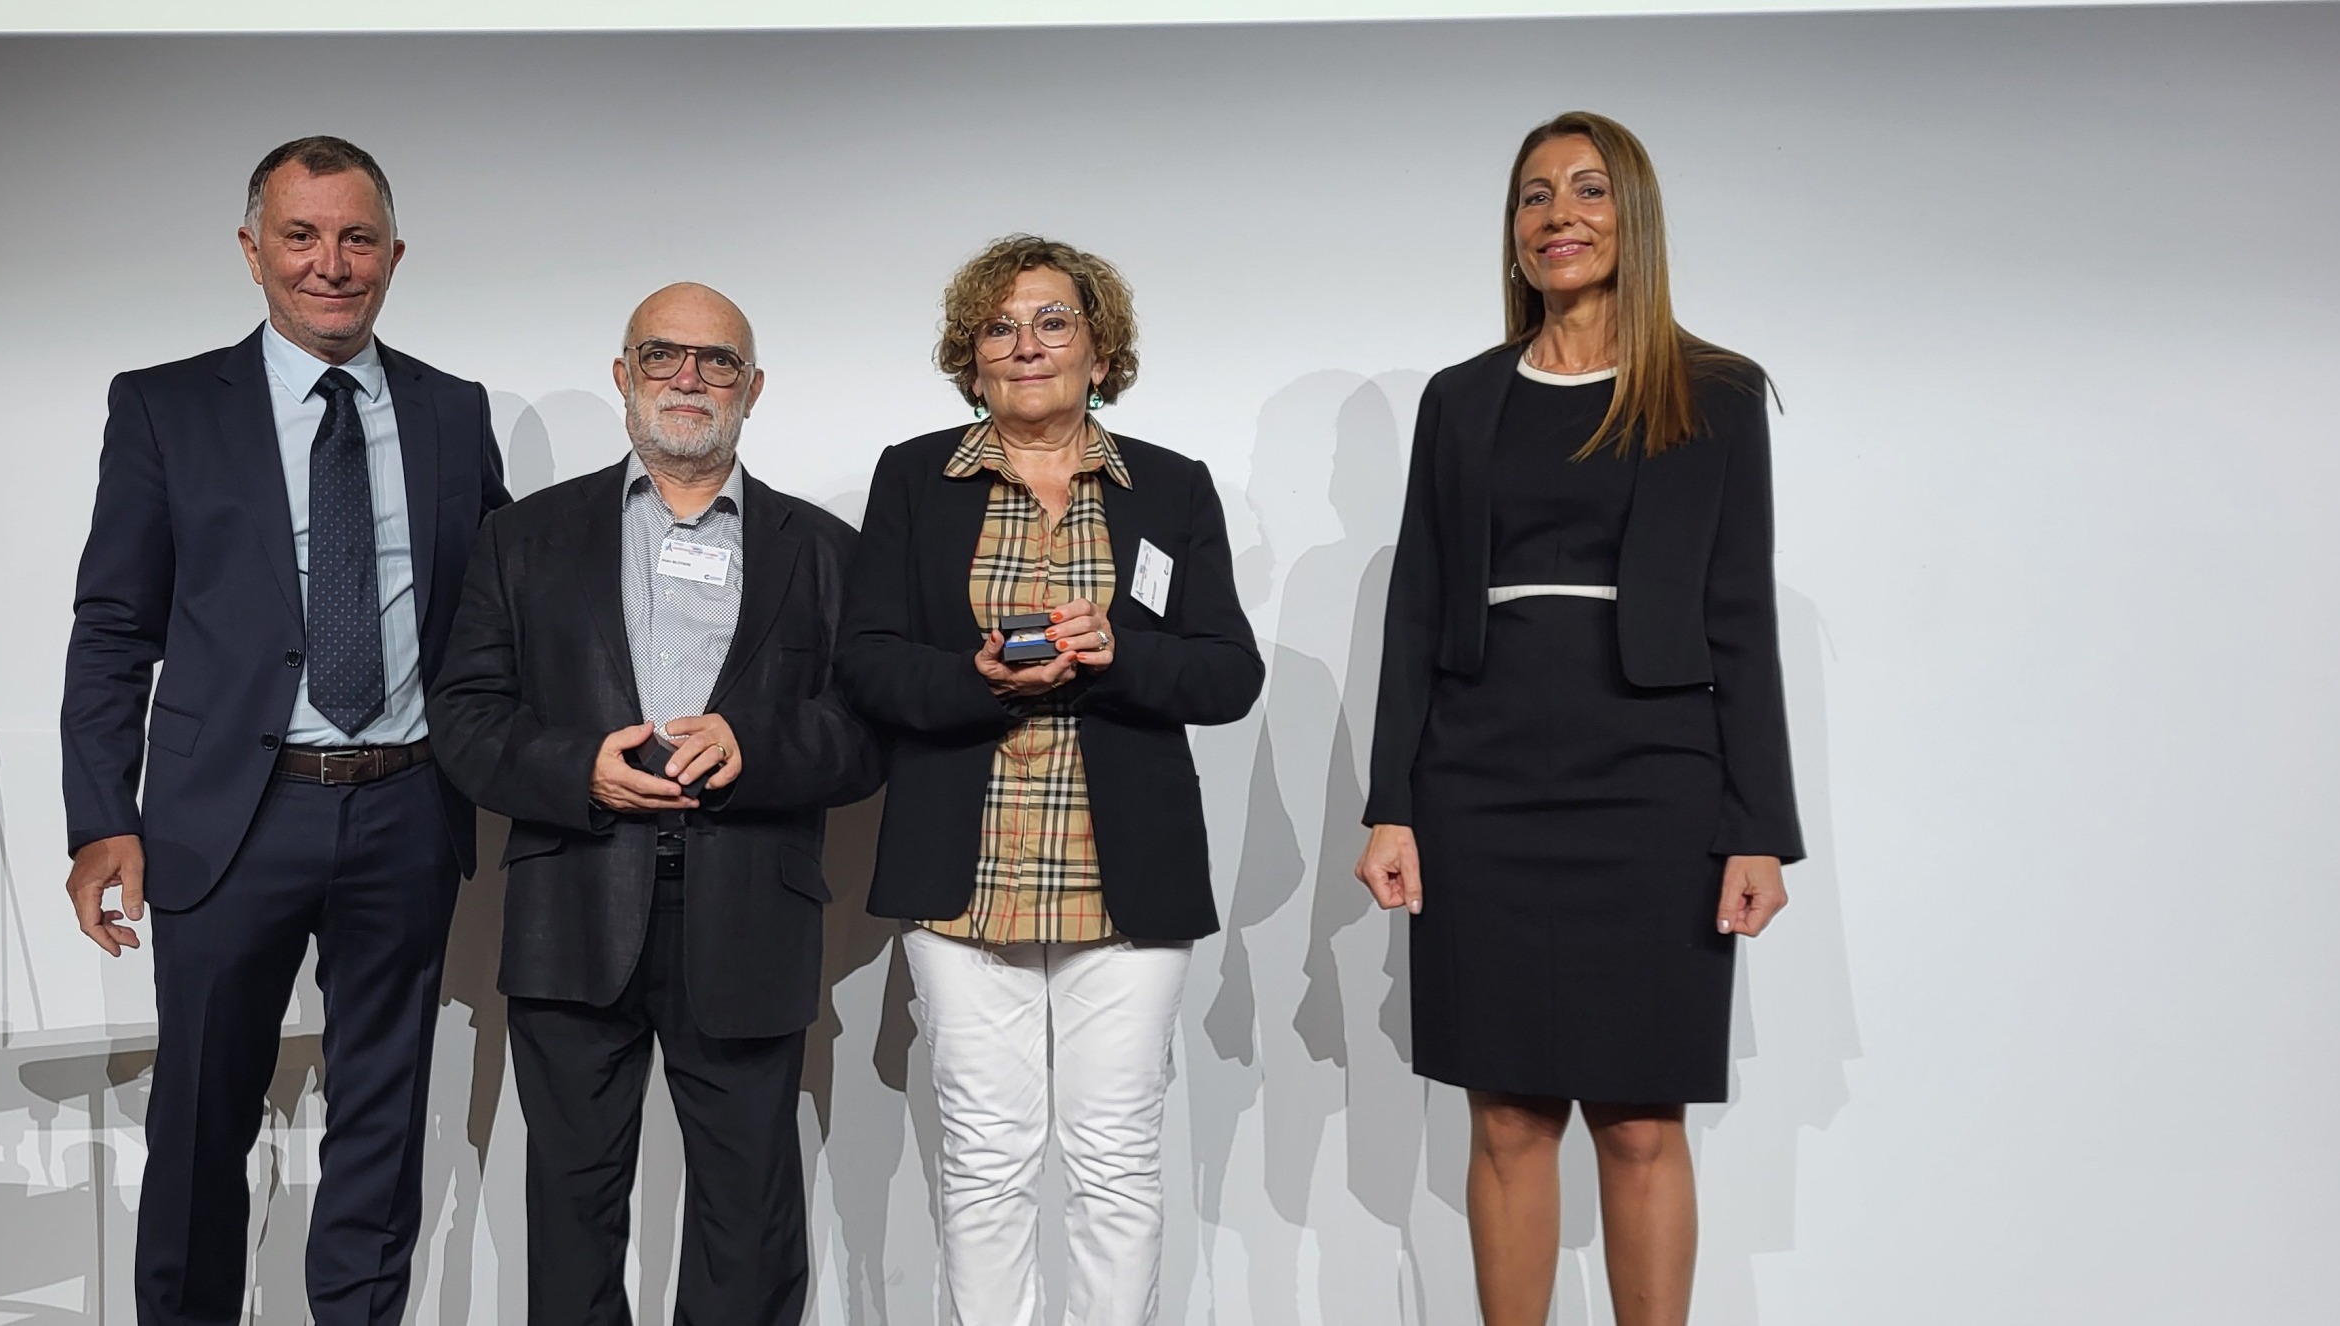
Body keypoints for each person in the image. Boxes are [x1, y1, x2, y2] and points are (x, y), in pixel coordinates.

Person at [1353, 111, 1804, 1326]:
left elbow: (1737, 613)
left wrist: (1757, 824)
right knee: (1502, 1113)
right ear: (1512, 234)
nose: (1559, 214)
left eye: (1588, 190)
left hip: (1653, 784)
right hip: (1477, 782)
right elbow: (1415, 611)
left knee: (1641, 1117)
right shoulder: (1459, 400)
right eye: (1533, 195)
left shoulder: (1711, 391)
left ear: (1632, 217)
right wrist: (1391, 803)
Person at [60, 136, 509, 1326]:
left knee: (382, 1114)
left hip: (408, 807)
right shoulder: (163, 407)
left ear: (394, 256)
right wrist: (102, 816)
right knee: (203, 1113)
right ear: (251, 250)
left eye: (356, 238)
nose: (330, 263)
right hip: (226, 818)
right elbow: (114, 626)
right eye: (301, 236)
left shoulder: (453, 414)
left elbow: (500, 617)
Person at [425, 283, 881, 1325]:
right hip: (572, 905)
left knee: (749, 1219)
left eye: (715, 361)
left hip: (750, 912)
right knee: (572, 1213)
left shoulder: (822, 553)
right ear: (623, 374)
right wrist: (576, 766)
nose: (689, 377)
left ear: (752, 387)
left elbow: (866, 736)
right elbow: (462, 718)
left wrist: (754, 747)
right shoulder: (522, 540)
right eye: (663, 355)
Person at [837, 235, 1262, 1325]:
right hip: (961, 869)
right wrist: (974, 678)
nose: (1025, 345)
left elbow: (1226, 674)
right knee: (985, 1163)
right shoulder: (912, 476)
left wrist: (1123, 651)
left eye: (1052, 321)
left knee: (1114, 1162)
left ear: (1099, 345)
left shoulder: (1169, 486)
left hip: (1124, 876)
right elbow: (869, 660)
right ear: (969, 356)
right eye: (998, 326)